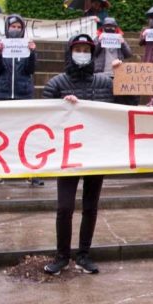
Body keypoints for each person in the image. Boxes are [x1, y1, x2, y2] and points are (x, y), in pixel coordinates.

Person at [41, 34, 116, 275]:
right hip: (68, 154)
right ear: (70, 52)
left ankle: (84, 255)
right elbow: (44, 118)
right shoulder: (56, 84)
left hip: (96, 152)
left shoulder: (105, 83)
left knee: (90, 207)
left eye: (86, 49)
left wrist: (123, 76)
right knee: (64, 207)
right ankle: (62, 256)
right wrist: (62, 106)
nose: (82, 53)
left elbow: (126, 106)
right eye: (78, 49)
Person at [0, 15, 43, 188]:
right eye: (13, 26)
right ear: (7, 28)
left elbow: (31, 69)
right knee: (0, 135)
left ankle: (30, 173)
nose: (16, 29)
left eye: (19, 27)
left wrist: (32, 53)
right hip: (3, 94)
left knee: (26, 135)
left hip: (24, 94)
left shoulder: (27, 44)